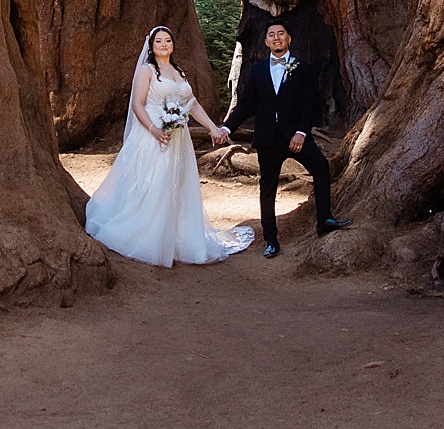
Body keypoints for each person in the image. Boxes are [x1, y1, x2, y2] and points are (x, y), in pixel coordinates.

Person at [83, 27, 253, 267]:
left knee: (176, 183)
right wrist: (154, 129)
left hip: (178, 138)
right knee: (154, 181)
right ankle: (148, 236)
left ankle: (175, 237)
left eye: (168, 40)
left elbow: (191, 104)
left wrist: (213, 128)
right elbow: (138, 104)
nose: (164, 44)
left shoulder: (178, 72)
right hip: (152, 134)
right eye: (159, 41)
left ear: (173, 45)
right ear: (151, 46)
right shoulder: (147, 71)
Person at [223, 16, 353, 257]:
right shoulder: (258, 70)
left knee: (321, 167)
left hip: (296, 137)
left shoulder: (303, 67)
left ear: (289, 38)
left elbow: (309, 104)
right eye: (271, 35)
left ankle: (324, 220)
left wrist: (301, 132)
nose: (276, 38)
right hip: (267, 139)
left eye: (281, 33)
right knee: (268, 188)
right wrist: (227, 128)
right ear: (266, 41)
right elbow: (245, 104)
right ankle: (271, 240)